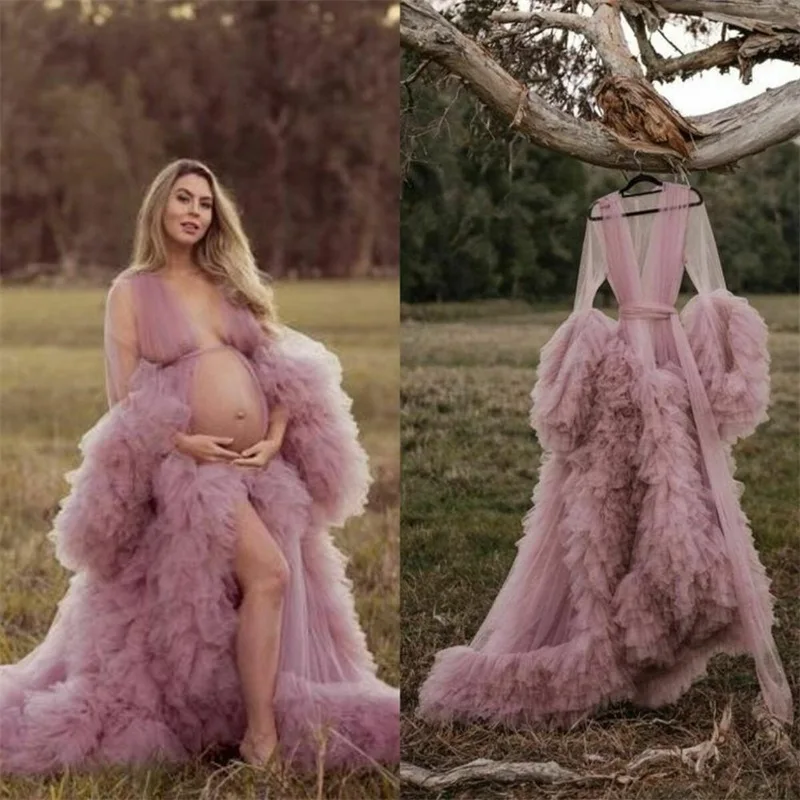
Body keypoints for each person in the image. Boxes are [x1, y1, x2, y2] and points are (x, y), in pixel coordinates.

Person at [0, 159, 399, 774]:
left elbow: (281, 371)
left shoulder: (227, 281)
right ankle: (261, 738)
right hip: (188, 469)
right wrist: (186, 444)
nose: (194, 211)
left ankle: (242, 712)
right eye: (183, 199)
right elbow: (123, 401)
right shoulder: (132, 290)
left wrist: (271, 438)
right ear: (159, 207)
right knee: (267, 573)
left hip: (256, 463)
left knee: (263, 581)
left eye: (205, 204)